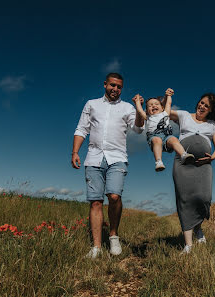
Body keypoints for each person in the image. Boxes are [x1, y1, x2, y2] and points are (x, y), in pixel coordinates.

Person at [71, 73, 144, 258]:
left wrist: (139, 108)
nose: (115, 89)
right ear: (105, 84)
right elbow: (81, 129)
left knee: (113, 196)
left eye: (119, 87)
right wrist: (75, 152)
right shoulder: (91, 104)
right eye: (112, 85)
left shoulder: (127, 107)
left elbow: (138, 128)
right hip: (94, 157)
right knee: (95, 201)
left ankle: (113, 235)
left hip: (117, 157)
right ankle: (96, 247)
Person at [169, 92, 215, 254]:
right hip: (183, 163)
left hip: (204, 165)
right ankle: (188, 245)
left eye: (206, 105)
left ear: (211, 110)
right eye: (201, 103)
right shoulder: (184, 115)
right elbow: (165, 113)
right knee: (184, 200)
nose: (202, 106)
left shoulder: (212, 125)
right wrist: (165, 99)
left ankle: (198, 227)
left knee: (204, 198)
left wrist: (211, 157)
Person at [133, 88, 195, 171]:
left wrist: (169, 95)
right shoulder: (148, 117)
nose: (153, 106)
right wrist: (137, 102)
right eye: (150, 105)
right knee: (157, 140)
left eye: (156, 104)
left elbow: (168, 103)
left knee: (173, 139)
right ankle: (158, 162)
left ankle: (183, 155)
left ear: (162, 107)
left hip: (167, 136)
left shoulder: (165, 113)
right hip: (154, 136)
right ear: (147, 111)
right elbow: (140, 111)